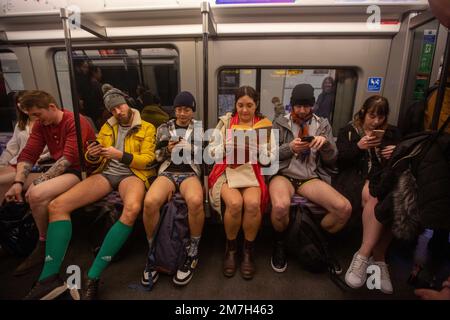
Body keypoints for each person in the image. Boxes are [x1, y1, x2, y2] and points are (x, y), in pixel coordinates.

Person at [23, 84, 156, 300]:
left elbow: (148, 160)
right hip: (106, 173)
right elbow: (93, 158)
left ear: (127, 103)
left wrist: (120, 155)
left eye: (120, 106)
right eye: (112, 110)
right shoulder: (107, 127)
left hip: (132, 175)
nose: (118, 112)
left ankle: (93, 276)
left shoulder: (147, 127)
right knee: (57, 206)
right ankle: (47, 278)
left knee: (132, 209)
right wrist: (93, 154)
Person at [4, 90, 96, 276]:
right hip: (58, 167)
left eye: (38, 114)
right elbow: (30, 153)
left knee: (35, 193)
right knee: (8, 184)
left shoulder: (75, 121)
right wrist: (18, 182)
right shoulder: (41, 125)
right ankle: (27, 240)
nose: (36, 119)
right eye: (32, 116)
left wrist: (39, 181)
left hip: (80, 170)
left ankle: (44, 243)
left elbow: (68, 159)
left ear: (52, 107)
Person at [268, 83, 351, 273]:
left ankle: (317, 240)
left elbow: (332, 160)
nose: (303, 110)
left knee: (343, 209)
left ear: (313, 105)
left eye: (307, 106)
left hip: (309, 177)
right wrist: (291, 148)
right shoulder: (280, 122)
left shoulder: (322, 125)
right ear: (292, 105)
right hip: (284, 175)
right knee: (280, 206)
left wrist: (327, 146)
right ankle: (279, 243)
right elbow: (269, 155)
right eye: (298, 106)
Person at [208, 86, 273, 280]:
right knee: (235, 204)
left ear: (256, 105)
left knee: (252, 204)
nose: (244, 110)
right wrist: (226, 146)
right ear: (235, 105)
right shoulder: (225, 122)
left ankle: (248, 252)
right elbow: (211, 152)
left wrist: (259, 148)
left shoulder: (263, 125)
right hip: (227, 171)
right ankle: (231, 250)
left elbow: (269, 160)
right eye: (240, 105)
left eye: (249, 105)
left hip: (251, 172)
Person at [339, 95, 401, 294]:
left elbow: (404, 160)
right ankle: (375, 257)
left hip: (384, 177)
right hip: (357, 177)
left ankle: (372, 257)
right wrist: (358, 147)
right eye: (372, 116)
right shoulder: (349, 131)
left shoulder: (392, 133)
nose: (376, 121)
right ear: (364, 112)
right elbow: (339, 160)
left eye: (380, 117)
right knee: (374, 196)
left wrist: (396, 151)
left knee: (395, 200)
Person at [142, 91, 204, 287]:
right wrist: (167, 150)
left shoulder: (200, 129)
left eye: (186, 109)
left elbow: (207, 157)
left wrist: (191, 148)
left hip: (189, 172)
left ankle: (193, 250)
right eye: (179, 109)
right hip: (168, 171)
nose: (182, 113)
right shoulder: (164, 128)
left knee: (195, 201)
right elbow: (156, 156)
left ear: (192, 111)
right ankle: (153, 249)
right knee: (150, 202)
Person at [0, 91, 50, 204]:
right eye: (20, 104)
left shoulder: (46, 122)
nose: (24, 106)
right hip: (18, 162)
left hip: (37, 164)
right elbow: (11, 148)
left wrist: (38, 160)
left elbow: (50, 150)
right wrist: (2, 163)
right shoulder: (21, 124)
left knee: (2, 181)